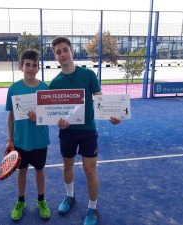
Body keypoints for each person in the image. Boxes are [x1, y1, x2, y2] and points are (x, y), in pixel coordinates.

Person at [49, 36, 121, 225]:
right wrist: (59, 122)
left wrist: (112, 116)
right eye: (58, 52)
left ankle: (92, 208)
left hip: (88, 130)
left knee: (90, 171)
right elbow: (53, 113)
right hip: (67, 133)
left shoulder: (88, 75)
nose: (62, 54)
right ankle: (70, 197)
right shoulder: (54, 83)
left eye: (65, 50)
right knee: (68, 166)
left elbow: (100, 99)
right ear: (55, 56)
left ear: (72, 51)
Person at [5, 49, 51, 221]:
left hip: (40, 140)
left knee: (40, 170)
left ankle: (41, 201)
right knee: (22, 171)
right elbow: (11, 116)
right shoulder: (14, 88)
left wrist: (38, 117)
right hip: (20, 141)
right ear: (21, 66)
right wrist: (10, 139)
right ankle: (21, 202)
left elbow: (49, 114)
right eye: (27, 65)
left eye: (34, 65)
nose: (31, 68)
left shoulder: (45, 88)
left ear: (38, 68)